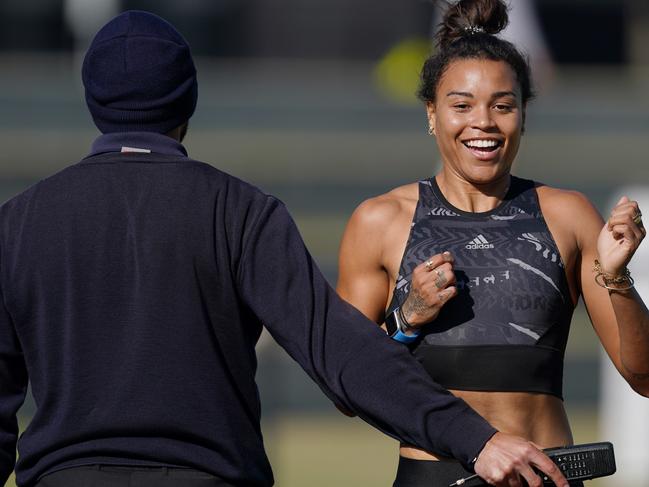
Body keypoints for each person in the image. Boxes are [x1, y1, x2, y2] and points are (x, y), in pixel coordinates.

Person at [0, 10, 569, 487]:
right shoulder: (238, 211)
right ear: (187, 100)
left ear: (92, 98)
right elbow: (339, 350)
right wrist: (477, 440)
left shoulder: (18, 222)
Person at [336, 0, 649, 486]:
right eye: (461, 105)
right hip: (435, 476)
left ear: (524, 115)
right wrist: (406, 318)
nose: (482, 122)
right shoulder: (381, 221)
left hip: (548, 475)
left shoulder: (566, 215)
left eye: (503, 105)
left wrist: (617, 278)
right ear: (432, 115)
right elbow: (345, 388)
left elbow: (644, 377)